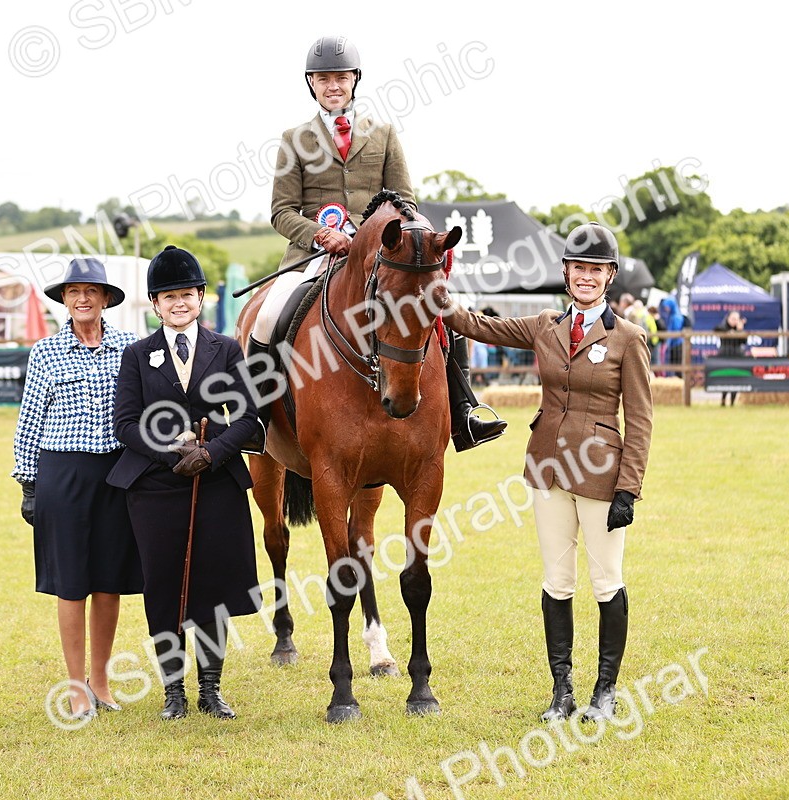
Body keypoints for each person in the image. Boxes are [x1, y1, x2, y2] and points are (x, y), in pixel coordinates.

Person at [247, 34, 505, 452]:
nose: (333, 85)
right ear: (311, 83)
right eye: (324, 78)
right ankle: (256, 423)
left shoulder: (382, 133)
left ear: (355, 80)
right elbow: (281, 210)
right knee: (265, 317)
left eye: (341, 77)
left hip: (381, 255)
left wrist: (388, 238)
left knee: (442, 311)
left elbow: (406, 201)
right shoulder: (294, 139)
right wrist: (320, 233)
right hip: (314, 256)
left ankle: (464, 411)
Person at [442, 222, 653, 723]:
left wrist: (629, 488)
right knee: (557, 581)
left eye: (596, 270)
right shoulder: (544, 326)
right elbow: (482, 327)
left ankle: (605, 691)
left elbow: (641, 419)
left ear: (609, 276)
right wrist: (440, 302)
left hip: (602, 475)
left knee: (606, 582)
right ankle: (562, 691)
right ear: (566, 273)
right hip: (548, 471)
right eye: (579, 268)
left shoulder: (628, 338)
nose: (586, 277)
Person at [108, 245, 262, 721]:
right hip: (155, 486)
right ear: (155, 304)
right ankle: (173, 690)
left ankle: (211, 689)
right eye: (168, 296)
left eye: (187, 294)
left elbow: (250, 414)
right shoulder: (137, 355)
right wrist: (170, 454)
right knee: (164, 586)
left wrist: (211, 453)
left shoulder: (228, 349)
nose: (178, 303)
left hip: (216, 482)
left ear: (200, 297)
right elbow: (125, 423)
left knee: (212, 584)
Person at [11, 257, 144, 722]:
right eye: (73, 292)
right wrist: (28, 484)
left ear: (106, 298)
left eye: (91, 290)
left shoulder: (131, 348)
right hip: (61, 474)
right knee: (71, 585)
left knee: (109, 585)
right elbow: (29, 421)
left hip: (116, 473)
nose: (82, 298)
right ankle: (75, 690)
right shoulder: (45, 353)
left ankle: (101, 682)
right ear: (64, 300)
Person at [715, 310, 747, 406]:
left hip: (737, 356)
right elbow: (716, 329)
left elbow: (744, 341)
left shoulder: (740, 329)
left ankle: (732, 402)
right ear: (728, 318)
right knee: (725, 378)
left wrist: (739, 331)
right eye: (733, 319)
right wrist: (730, 332)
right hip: (725, 355)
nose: (734, 321)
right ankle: (723, 399)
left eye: (736, 319)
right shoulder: (723, 327)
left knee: (736, 379)